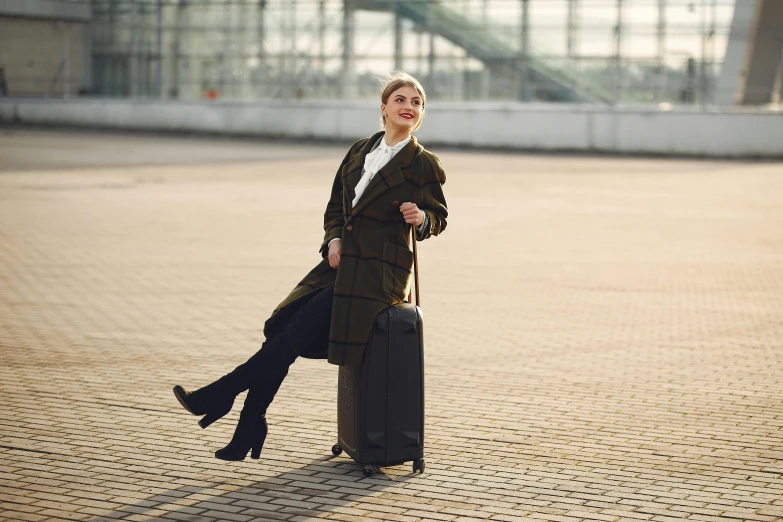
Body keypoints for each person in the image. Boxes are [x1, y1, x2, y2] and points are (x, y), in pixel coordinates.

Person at [173, 72, 448, 461]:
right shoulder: (359, 151)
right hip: (339, 265)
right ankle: (249, 422)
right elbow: (336, 208)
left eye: (416, 102)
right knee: (283, 329)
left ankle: (219, 396)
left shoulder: (423, 164)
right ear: (384, 108)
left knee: (291, 336)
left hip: (378, 276)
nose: (409, 107)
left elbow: (438, 218)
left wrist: (420, 216)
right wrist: (333, 240)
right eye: (400, 99)